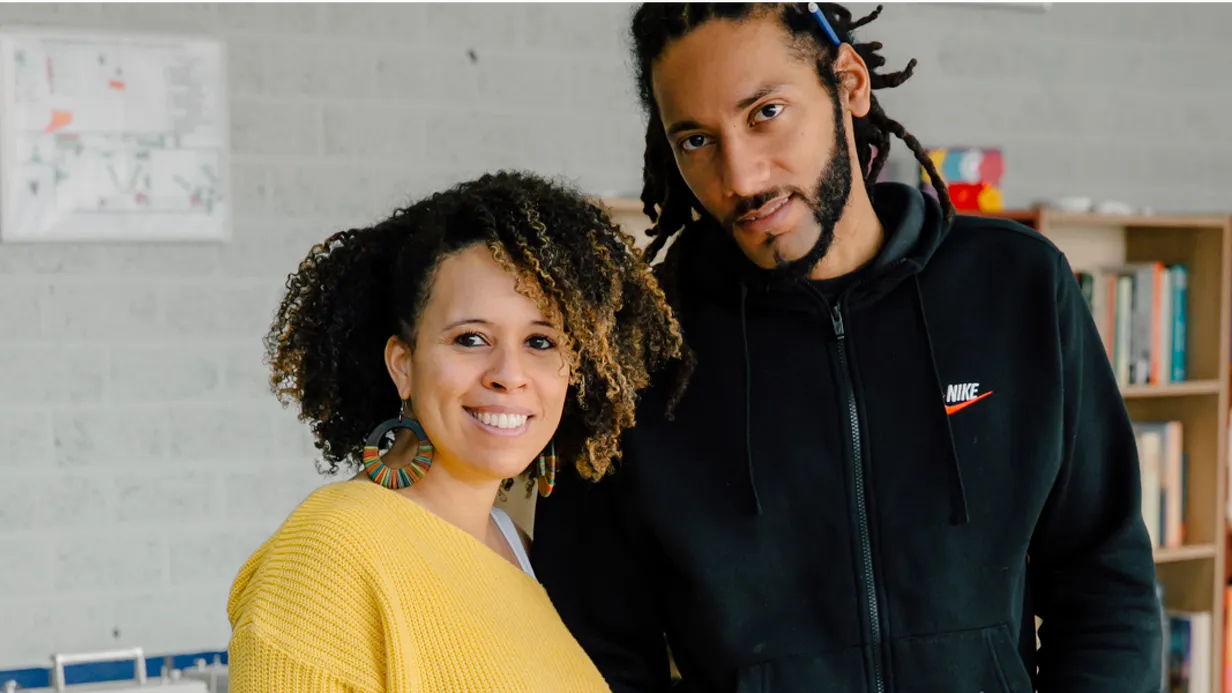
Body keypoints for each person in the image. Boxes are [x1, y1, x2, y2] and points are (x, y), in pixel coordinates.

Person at [531, 2, 1162, 692]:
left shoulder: (1017, 288)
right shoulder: (638, 350)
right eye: (695, 141)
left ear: (850, 83)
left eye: (765, 112)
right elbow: (596, 647)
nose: (741, 177)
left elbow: (1106, 582)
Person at [226, 170, 683, 693]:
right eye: (470, 339)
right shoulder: (329, 555)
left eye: (541, 342)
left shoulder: (518, 550)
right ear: (403, 364)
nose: (509, 374)